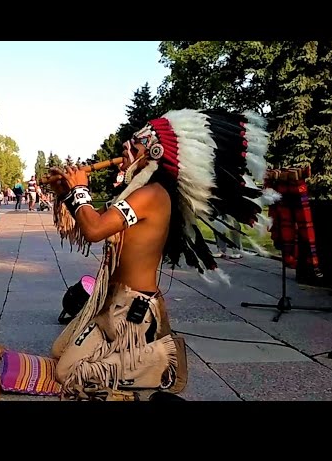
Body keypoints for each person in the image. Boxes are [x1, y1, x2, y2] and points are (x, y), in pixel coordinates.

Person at [41, 108, 278, 400]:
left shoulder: (151, 195)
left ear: (154, 152)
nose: (125, 150)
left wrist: (79, 189)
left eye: (134, 146)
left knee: (68, 372)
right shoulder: (134, 193)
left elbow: (94, 230)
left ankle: (161, 359)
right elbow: (90, 220)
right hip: (111, 299)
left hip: (131, 308)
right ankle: (127, 354)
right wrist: (66, 191)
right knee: (58, 351)